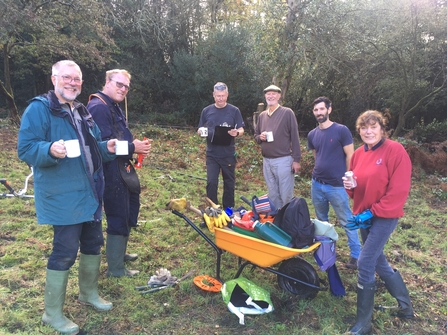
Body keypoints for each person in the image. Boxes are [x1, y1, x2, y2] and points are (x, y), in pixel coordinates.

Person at [17, 60, 117, 334]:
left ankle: (88, 294)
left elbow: (92, 147)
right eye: (67, 78)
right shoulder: (39, 109)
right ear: (54, 79)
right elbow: (25, 148)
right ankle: (52, 314)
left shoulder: (82, 110)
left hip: (90, 192)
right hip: (62, 194)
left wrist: (105, 147)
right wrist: (50, 150)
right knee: (64, 251)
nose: (73, 83)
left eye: (77, 79)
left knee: (94, 242)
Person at [343, 110, 414, 335]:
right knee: (378, 261)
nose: (368, 131)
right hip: (365, 214)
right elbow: (356, 191)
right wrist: (350, 185)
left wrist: (371, 213)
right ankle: (405, 307)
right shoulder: (358, 155)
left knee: (365, 262)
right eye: (364, 128)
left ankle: (363, 324)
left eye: (373, 127)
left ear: (382, 129)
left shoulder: (395, 150)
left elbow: (399, 191)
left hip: (384, 215)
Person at [87, 69, 151, 277]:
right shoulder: (98, 107)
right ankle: (115, 269)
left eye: (126, 87)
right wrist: (134, 148)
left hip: (122, 167)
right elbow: (103, 147)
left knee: (130, 207)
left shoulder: (113, 105)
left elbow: (120, 138)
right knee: (117, 213)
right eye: (119, 84)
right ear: (107, 82)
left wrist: (135, 147)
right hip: (109, 169)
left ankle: (120, 253)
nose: (123, 89)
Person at [307, 96, 362, 269]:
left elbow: (350, 155)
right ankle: (326, 251)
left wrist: (348, 177)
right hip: (317, 184)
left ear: (329, 110)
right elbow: (317, 155)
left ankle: (356, 255)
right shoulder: (312, 134)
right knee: (321, 221)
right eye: (316, 110)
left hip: (337, 186)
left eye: (322, 109)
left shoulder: (341, 130)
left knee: (347, 220)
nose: (319, 113)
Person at [197, 82, 245, 209]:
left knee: (229, 183)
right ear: (213, 95)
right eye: (218, 96)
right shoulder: (206, 111)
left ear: (227, 95)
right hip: (212, 154)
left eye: (223, 95)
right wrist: (201, 132)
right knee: (211, 183)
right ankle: (212, 211)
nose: (220, 98)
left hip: (228, 154)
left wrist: (237, 133)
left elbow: (241, 129)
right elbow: (199, 129)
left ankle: (228, 212)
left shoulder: (234, 111)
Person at [254, 84, 301, 209]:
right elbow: (256, 136)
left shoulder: (287, 113)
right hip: (267, 161)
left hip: (283, 160)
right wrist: (260, 137)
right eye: (268, 94)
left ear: (279, 96)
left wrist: (296, 160)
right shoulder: (262, 115)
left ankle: (288, 221)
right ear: (265, 96)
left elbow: (295, 137)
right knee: (273, 194)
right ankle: (278, 221)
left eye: (274, 93)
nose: (271, 96)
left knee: (286, 194)